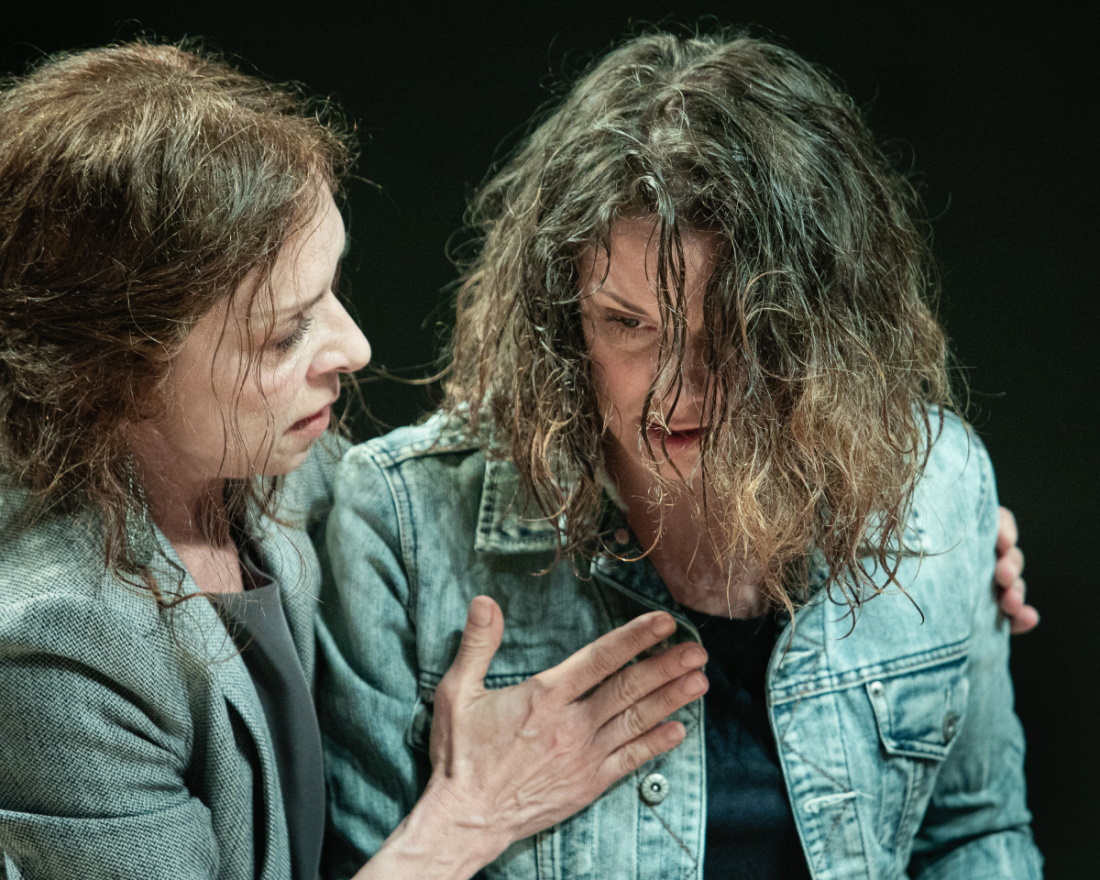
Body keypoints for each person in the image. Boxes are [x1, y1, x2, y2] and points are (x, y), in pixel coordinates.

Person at [317, 31, 1043, 879]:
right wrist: (464, 822)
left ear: (824, 330)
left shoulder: (940, 485)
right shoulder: (404, 524)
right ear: (564, 318)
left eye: (732, 333)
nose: (673, 391)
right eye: (627, 325)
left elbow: (973, 831)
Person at [0, 42, 714, 880]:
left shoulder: (273, 466)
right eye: (284, 334)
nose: (356, 347)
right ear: (114, 369)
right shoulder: (55, 643)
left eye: (332, 290)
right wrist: (467, 819)